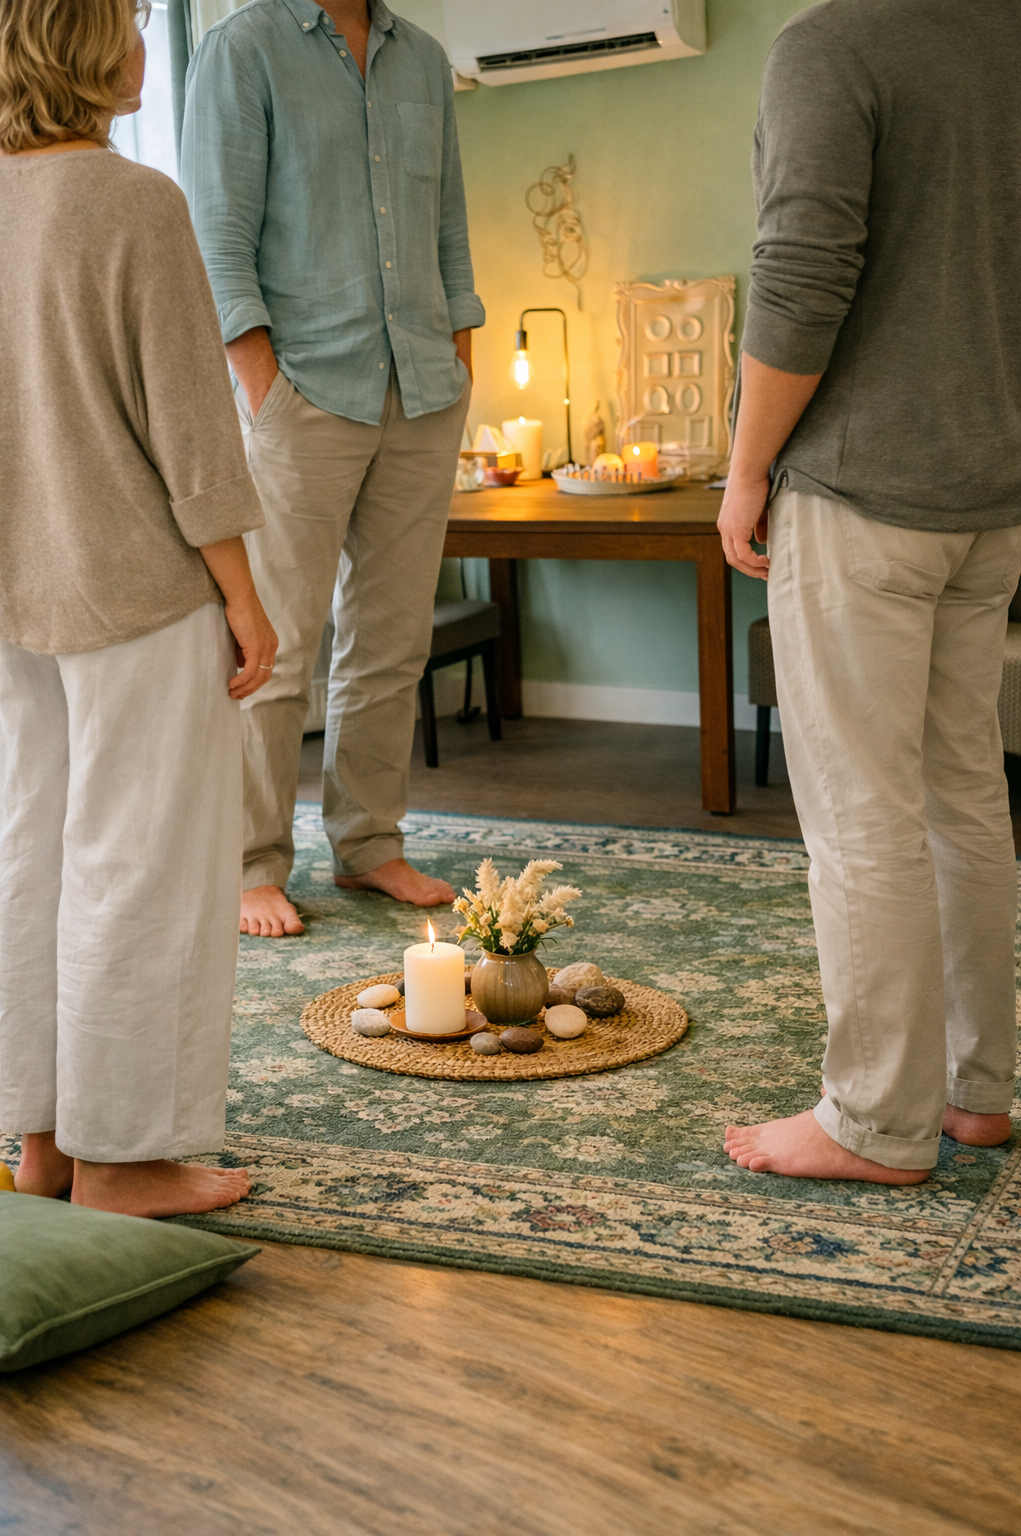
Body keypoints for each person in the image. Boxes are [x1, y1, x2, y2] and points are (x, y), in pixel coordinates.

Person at [718, 0, 1021, 1184]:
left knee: (861, 817)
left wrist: (744, 471)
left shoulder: (831, 44)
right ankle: (973, 1091)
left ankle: (875, 1124)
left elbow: (798, 276)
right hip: (989, 494)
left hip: (861, 490)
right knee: (961, 792)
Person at [0, 0, 277, 1216]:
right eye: (126, 24)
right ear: (86, 51)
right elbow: (194, 433)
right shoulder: (134, 203)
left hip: (14, 589)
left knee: (31, 853)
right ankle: (126, 1164)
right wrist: (244, 596)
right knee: (142, 864)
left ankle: (42, 1146)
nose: (144, 47)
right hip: (137, 586)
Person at [181, 0, 485, 940]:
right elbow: (218, 245)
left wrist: (459, 359)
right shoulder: (241, 50)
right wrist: (266, 391)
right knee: (273, 650)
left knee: (393, 640)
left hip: (423, 389)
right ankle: (249, 863)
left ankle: (368, 845)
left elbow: (448, 230)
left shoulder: (424, 59)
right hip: (302, 395)